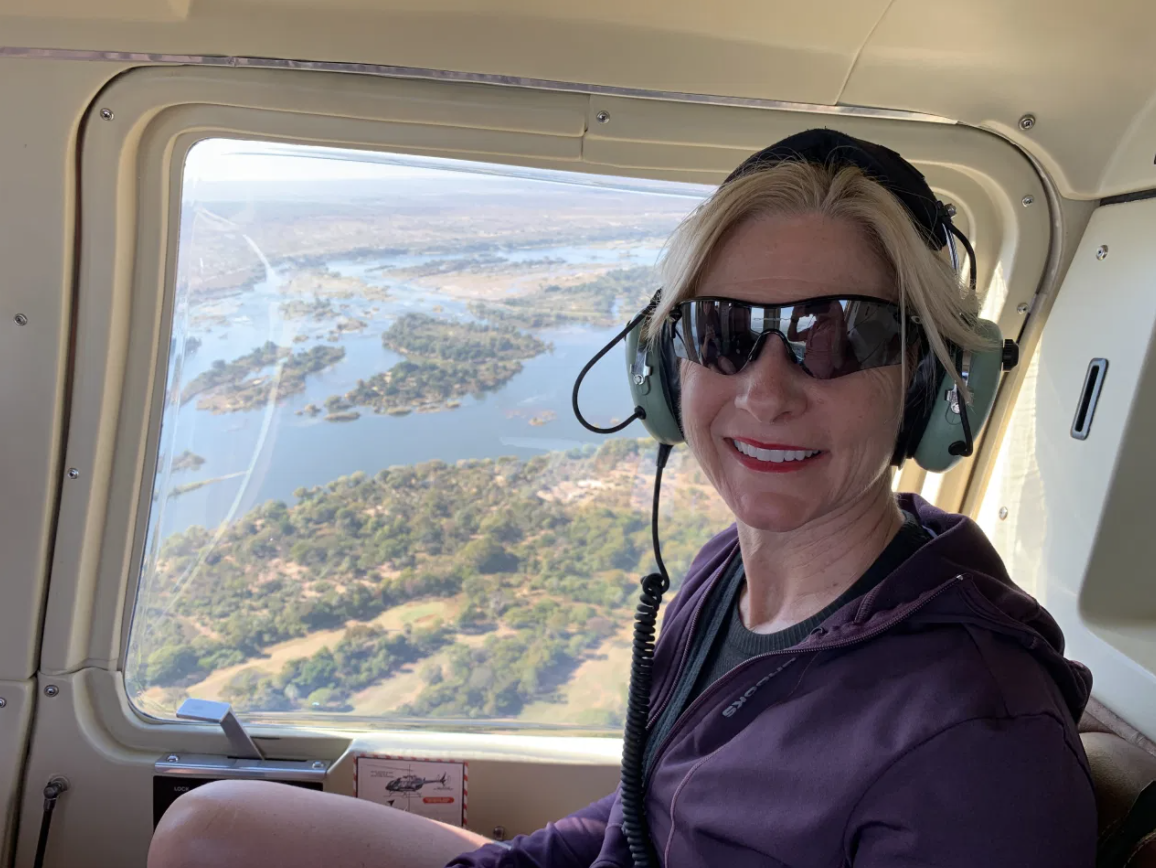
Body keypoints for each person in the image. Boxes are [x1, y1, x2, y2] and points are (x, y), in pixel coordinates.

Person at [148, 130, 1097, 868]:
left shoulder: (977, 742)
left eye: (836, 337)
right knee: (209, 826)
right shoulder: (726, 573)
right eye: (724, 332)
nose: (765, 392)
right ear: (664, 369)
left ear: (933, 385)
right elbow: (650, 813)